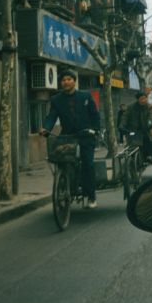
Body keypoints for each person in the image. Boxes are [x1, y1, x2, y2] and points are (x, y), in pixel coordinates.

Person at [39, 69, 101, 208]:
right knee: (61, 160)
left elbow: (95, 115)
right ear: (61, 83)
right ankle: (65, 186)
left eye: (69, 79)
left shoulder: (85, 96)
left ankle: (91, 196)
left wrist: (95, 130)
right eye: (63, 80)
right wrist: (46, 128)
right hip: (67, 136)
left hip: (86, 135)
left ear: (74, 81)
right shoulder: (56, 99)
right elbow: (51, 116)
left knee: (87, 164)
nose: (66, 82)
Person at [120, 91, 152, 161]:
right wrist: (122, 125)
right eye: (141, 99)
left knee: (147, 140)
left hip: (144, 129)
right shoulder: (131, 107)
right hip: (133, 130)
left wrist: (149, 123)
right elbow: (125, 117)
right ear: (137, 99)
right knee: (132, 145)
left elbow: (151, 116)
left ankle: (148, 155)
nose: (143, 100)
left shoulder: (148, 107)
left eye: (145, 98)